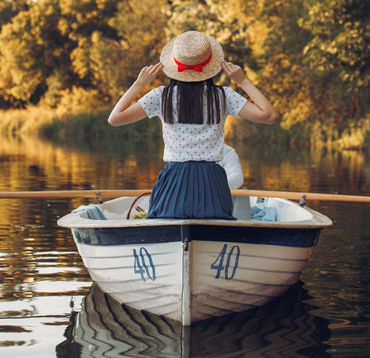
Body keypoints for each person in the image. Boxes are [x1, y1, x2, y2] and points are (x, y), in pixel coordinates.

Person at [108, 30, 279, 219]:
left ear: (174, 65)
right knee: (215, 226)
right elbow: (270, 116)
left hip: (174, 179)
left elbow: (115, 118)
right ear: (210, 67)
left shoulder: (161, 96)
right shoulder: (223, 96)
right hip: (211, 181)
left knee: (164, 221)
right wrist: (243, 81)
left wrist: (139, 84)